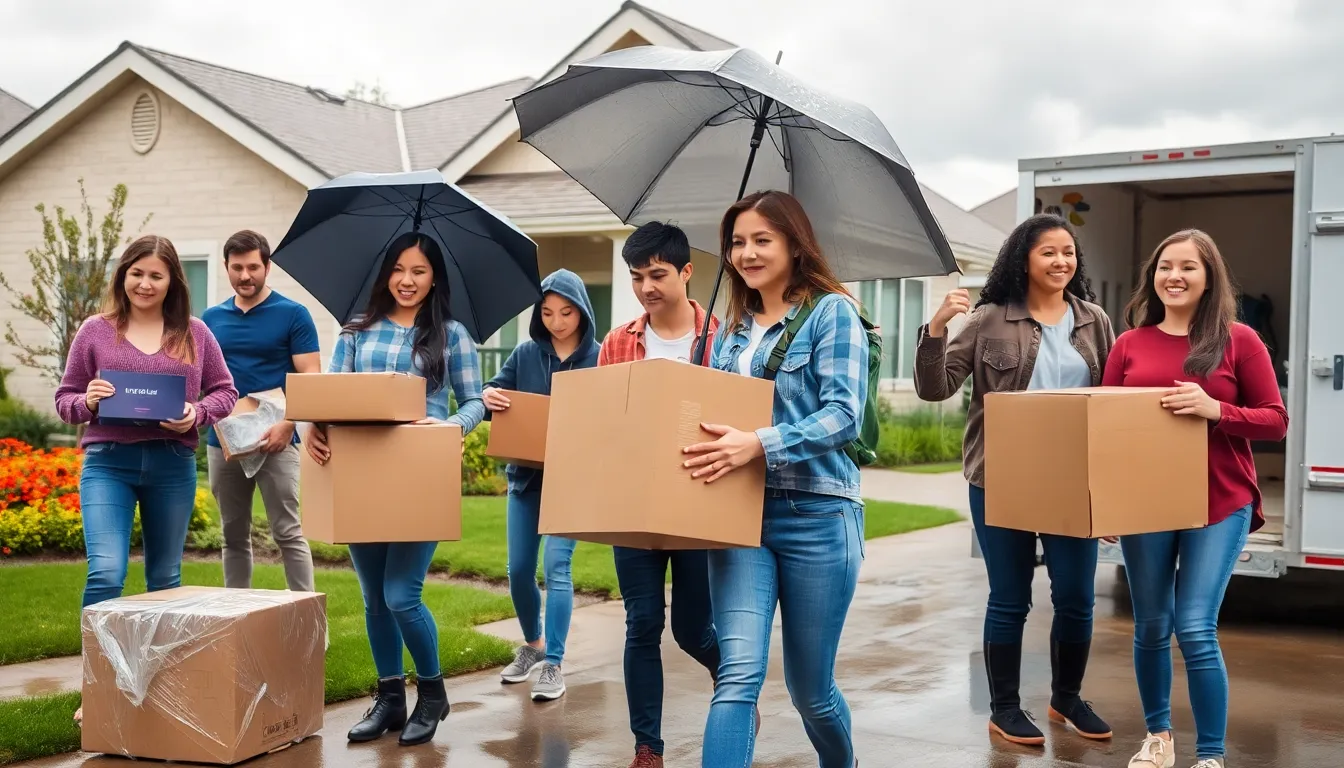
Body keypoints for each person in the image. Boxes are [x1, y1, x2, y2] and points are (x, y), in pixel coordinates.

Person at [913, 212, 1115, 747]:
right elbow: (937, 390)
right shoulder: (989, 319)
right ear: (1023, 258)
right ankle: (1004, 707)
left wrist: (1114, 494)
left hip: (1074, 479)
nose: (1061, 261)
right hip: (1000, 477)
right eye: (1049, 252)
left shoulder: (1094, 320)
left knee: (1076, 596)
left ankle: (1066, 697)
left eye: (1068, 252)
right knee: (1010, 597)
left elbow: (1114, 406)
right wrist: (935, 331)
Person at [682, 190, 866, 768]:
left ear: (793, 243)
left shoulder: (831, 312)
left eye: (762, 239)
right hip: (741, 517)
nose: (747, 252)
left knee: (811, 692)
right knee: (737, 674)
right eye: (737, 241)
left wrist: (758, 443)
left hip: (818, 513)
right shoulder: (730, 332)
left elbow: (844, 415)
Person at [1104, 230, 1287, 768]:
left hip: (1219, 499)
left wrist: (1215, 410)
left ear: (1210, 278)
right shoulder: (1128, 345)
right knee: (1152, 624)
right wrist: (1110, 501)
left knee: (1195, 627)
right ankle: (1158, 739)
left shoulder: (1240, 340)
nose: (1174, 276)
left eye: (1188, 267)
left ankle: (1210, 755)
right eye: (1165, 266)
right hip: (1145, 503)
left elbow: (1275, 422)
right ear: (1152, 276)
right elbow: (1105, 428)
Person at [305, 232, 485, 747]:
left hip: (416, 472)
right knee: (373, 598)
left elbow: (476, 401)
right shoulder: (356, 332)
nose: (407, 280)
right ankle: (389, 698)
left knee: (401, 594)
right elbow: (332, 394)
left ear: (435, 279)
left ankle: (432, 693)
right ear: (387, 272)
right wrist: (314, 425)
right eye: (400, 269)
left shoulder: (451, 335)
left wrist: (450, 426)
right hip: (361, 471)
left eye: (420, 271)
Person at [54, 234, 239, 724]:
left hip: (170, 465)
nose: (144, 282)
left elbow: (225, 391)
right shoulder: (95, 331)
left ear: (171, 280)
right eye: (137, 272)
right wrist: (88, 402)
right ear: (124, 275)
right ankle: (99, 683)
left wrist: (195, 415)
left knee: (164, 579)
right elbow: (65, 398)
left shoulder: (195, 334)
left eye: (156, 275)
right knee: (106, 572)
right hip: (107, 463)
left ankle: (155, 681)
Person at [597, 221, 726, 768]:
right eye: (636, 277)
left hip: (697, 501)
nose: (647, 287)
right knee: (642, 623)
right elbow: (601, 416)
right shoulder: (618, 341)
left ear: (687, 273)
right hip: (634, 502)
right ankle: (647, 746)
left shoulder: (723, 338)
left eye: (657, 275)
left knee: (693, 628)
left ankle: (734, 692)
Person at [482, 268, 600, 702]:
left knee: (557, 568)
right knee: (517, 571)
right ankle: (533, 645)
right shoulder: (527, 353)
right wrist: (488, 395)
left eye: (566, 312)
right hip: (526, 478)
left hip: (571, 481)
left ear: (582, 311)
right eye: (548, 313)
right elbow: (494, 391)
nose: (557, 321)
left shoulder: (600, 357)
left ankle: (554, 663)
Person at [201, 230, 320, 593]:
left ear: (267, 267)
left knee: (288, 532)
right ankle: (239, 618)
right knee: (232, 534)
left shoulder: (293, 314)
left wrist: (290, 425)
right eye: (237, 267)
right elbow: (201, 377)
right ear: (226, 268)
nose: (245, 275)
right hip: (224, 441)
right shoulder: (211, 318)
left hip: (277, 438)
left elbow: (310, 377)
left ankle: (309, 623)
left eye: (253, 266)